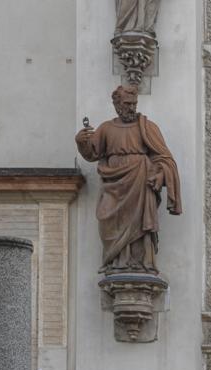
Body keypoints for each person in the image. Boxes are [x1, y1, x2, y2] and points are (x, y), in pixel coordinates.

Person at [75, 85, 181, 273]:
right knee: (108, 220)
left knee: (140, 226)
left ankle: (141, 263)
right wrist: (81, 141)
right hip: (113, 185)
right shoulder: (106, 128)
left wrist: (159, 174)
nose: (131, 108)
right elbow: (92, 153)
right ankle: (116, 262)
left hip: (140, 182)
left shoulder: (147, 127)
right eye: (127, 104)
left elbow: (165, 159)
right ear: (117, 105)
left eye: (134, 104)